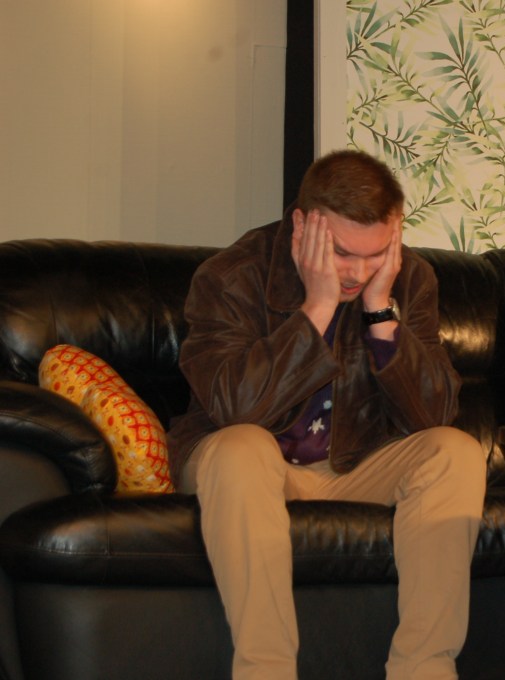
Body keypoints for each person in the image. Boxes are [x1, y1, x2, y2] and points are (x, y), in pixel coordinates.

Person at [168, 149, 487, 680]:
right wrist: (316, 308)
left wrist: (381, 312)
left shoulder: (411, 279)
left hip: (356, 465)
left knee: (455, 451)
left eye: (376, 254)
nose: (358, 273)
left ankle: (423, 670)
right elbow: (237, 409)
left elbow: (435, 413)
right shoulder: (231, 276)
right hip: (250, 464)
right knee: (241, 447)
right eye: (341, 253)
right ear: (302, 225)